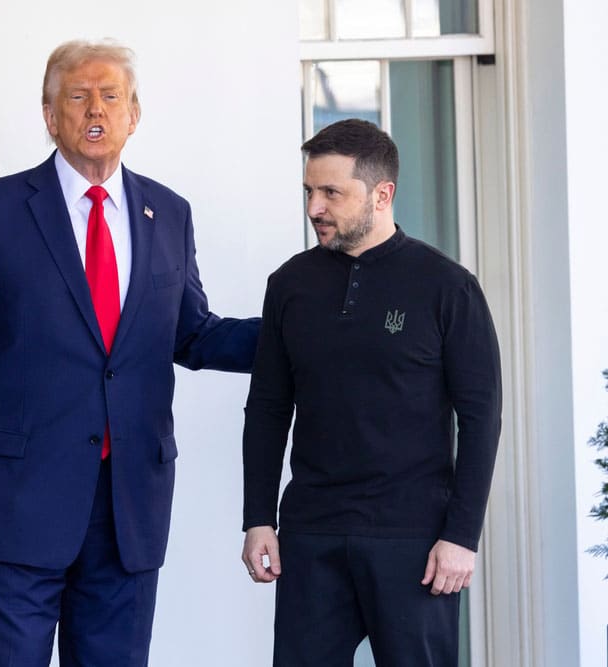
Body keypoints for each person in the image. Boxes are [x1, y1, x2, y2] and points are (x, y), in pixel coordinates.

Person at [0, 39, 260, 666]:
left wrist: (298, 335)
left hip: (128, 505)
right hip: (12, 506)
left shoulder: (169, 214)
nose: (95, 109)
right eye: (78, 97)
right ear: (50, 117)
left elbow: (191, 333)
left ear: (135, 114)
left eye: (110, 96)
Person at [241, 118, 502, 666]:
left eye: (331, 192)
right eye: (310, 191)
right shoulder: (289, 285)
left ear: (382, 194)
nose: (315, 207)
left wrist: (461, 536)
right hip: (312, 533)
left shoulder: (447, 287)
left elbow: (482, 418)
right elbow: (268, 408)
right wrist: (258, 518)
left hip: (414, 540)